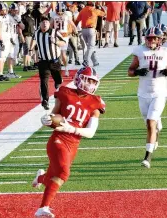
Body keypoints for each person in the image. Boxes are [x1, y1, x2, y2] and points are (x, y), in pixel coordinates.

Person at [33, 66, 106, 217]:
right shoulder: (65, 93)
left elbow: (91, 132)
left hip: (73, 144)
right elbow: (54, 115)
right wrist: (47, 120)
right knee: (63, 173)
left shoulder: (95, 103)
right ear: (78, 79)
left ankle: (41, 177)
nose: (90, 85)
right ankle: (42, 209)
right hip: (58, 140)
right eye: (87, 80)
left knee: (54, 177)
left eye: (93, 82)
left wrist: (71, 129)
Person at [127, 27, 167, 169]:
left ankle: (147, 157)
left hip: (159, 93)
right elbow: (130, 71)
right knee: (149, 124)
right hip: (143, 93)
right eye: (149, 38)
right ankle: (156, 134)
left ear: (159, 39)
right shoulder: (140, 51)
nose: (151, 40)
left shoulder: (166, 52)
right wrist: (138, 71)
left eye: (154, 38)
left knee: (151, 123)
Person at [29, 16, 66, 110]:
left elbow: (64, 42)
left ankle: (58, 81)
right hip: (43, 61)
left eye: (46, 22)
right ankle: (45, 100)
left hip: (54, 61)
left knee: (58, 80)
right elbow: (33, 40)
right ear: (40, 24)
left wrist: (56, 42)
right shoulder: (37, 32)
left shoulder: (54, 32)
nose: (45, 24)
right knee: (43, 81)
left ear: (49, 23)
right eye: (43, 22)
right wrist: (30, 49)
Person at [75, 1, 105, 67]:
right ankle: (86, 60)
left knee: (90, 47)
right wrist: (101, 6)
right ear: (93, 4)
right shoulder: (95, 10)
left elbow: (77, 21)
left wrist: (74, 29)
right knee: (91, 47)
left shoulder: (82, 11)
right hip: (91, 30)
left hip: (83, 30)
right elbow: (104, 13)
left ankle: (95, 61)